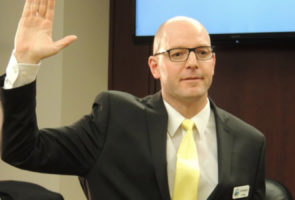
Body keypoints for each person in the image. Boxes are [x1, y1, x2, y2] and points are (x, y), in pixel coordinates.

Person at [0, 0, 266, 199]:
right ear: (154, 66)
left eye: (202, 52)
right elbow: (23, 150)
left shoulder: (249, 142)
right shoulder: (115, 120)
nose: (193, 63)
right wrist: (25, 61)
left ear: (213, 62)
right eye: (177, 54)